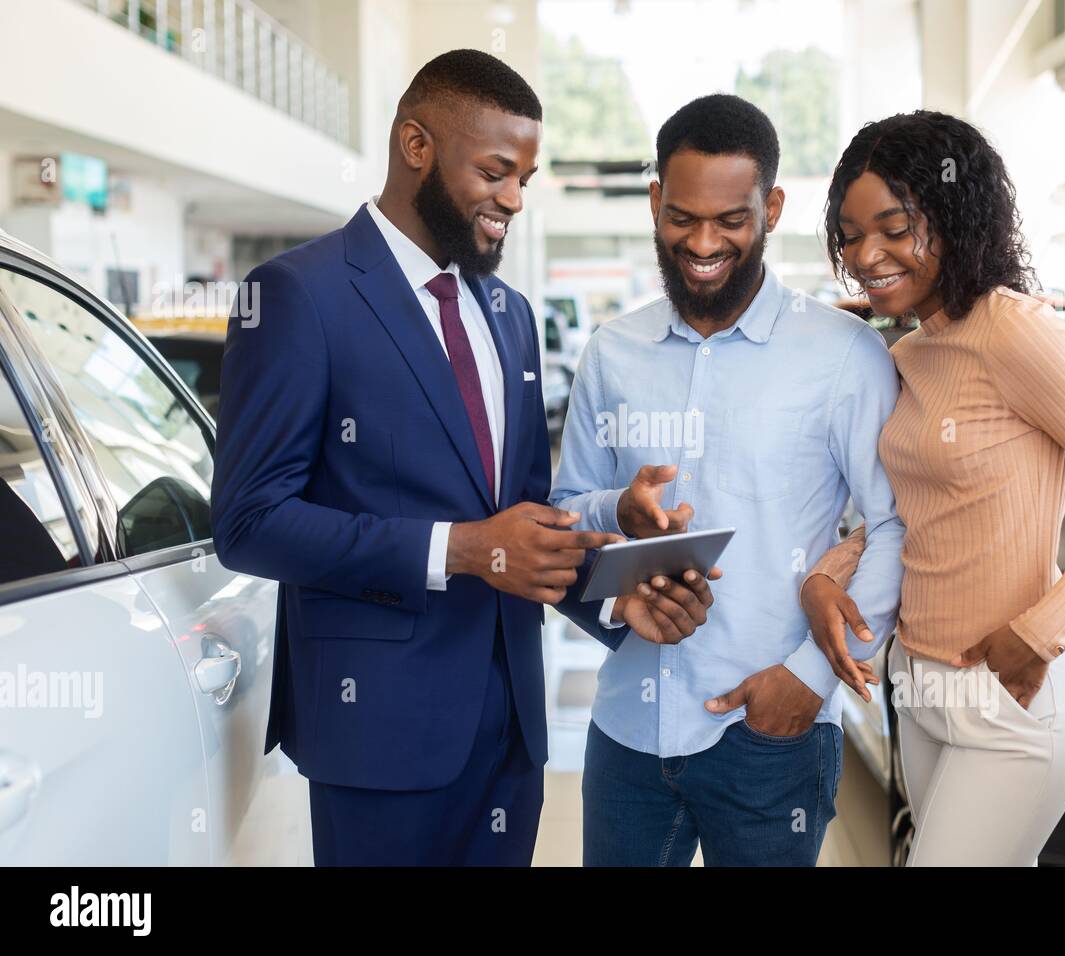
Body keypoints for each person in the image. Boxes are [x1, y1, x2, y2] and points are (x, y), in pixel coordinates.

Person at [211, 50, 715, 867]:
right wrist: (462, 549)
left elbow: (524, 523)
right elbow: (249, 522)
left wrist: (620, 594)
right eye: (495, 171)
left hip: (511, 727)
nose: (514, 199)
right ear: (416, 145)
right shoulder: (300, 296)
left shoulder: (508, 313)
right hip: (379, 732)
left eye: (526, 177)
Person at [801, 110, 1065, 865]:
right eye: (849, 233)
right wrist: (824, 577)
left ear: (952, 214)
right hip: (922, 686)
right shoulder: (914, 351)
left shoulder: (1016, 332)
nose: (865, 254)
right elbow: (914, 514)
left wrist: (1043, 631)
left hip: (1012, 700)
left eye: (893, 226)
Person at [550, 94, 904, 866]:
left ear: (771, 207)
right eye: (681, 218)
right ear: (655, 203)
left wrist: (810, 682)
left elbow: (894, 528)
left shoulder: (845, 354)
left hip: (770, 733)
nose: (703, 242)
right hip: (626, 734)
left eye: (730, 221)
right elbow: (564, 512)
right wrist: (618, 516)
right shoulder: (613, 351)